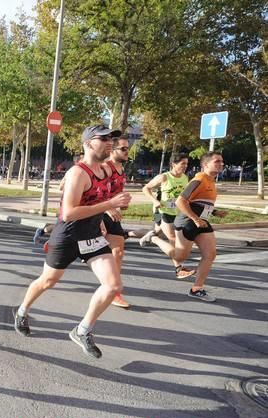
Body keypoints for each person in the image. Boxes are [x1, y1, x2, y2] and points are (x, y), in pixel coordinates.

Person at [13, 125, 131, 360]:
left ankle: (82, 330)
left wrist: (107, 213)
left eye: (112, 139)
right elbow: (68, 213)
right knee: (48, 280)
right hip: (67, 236)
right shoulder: (79, 173)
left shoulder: (106, 171)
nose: (110, 143)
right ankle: (22, 311)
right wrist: (109, 206)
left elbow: (100, 200)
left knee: (113, 285)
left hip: (92, 236)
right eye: (104, 139)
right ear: (88, 143)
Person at [139, 152, 225, 302]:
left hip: (201, 221)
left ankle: (197, 288)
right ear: (206, 164)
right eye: (217, 161)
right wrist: (195, 218)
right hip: (186, 221)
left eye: (222, 162)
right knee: (180, 256)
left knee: (210, 254)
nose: (221, 164)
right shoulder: (199, 179)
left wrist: (216, 212)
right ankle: (154, 239)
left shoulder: (210, 180)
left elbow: (198, 202)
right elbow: (180, 201)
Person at [140, 153, 195, 279]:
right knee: (172, 238)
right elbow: (145, 188)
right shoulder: (164, 177)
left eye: (186, 164)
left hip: (178, 212)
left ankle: (150, 236)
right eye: (183, 163)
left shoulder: (185, 178)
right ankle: (179, 269)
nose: (185, 166)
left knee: (159, 231)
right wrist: (154, 201)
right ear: (174, 164)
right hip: (163, 211)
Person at [103, 135, 132, 308]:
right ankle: (55, 239)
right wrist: (108, 207)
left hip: (112, 215)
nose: (127, 151)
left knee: (118, 251)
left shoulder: (121, 169)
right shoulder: (106, 167)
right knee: (80, 248)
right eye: (123, 148)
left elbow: (115, 192)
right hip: (98, 212)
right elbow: (97, 192)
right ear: (112, 150)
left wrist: (123, 202)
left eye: (127, 148)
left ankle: (113, 292)